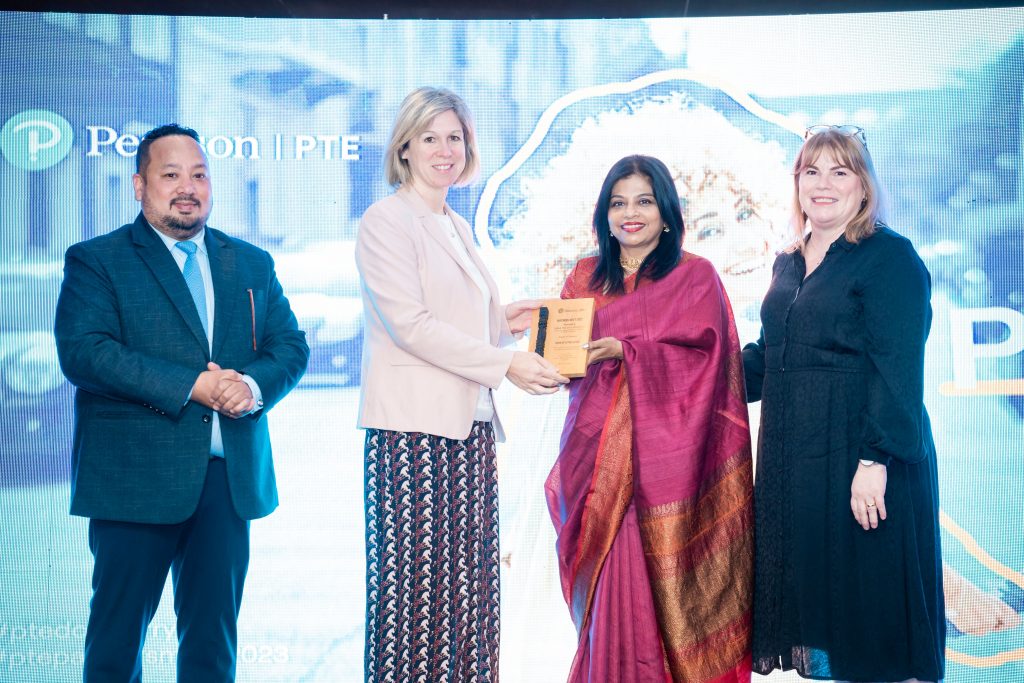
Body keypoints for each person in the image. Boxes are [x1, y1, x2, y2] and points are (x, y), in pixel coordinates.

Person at [54, 123, 309, 682]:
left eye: (199, 175)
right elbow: (86, 353)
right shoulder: (98, 260)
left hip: (225, 479)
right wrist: (196, 385)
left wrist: (251, 385)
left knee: (212, 643)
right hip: (133, 481)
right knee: (116, 642)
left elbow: (290, 345)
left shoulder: (249, 263)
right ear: (139, 185)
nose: (187, 187)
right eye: (171, 175)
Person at [356, 86, 568, 681]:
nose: (445, 150)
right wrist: (506, 365)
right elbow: (411, 326)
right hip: (411, 436)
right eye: (430, 137)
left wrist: (511, 319)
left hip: (467, 431)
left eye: (455, 137)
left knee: (469, 598)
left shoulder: (451, 222)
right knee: (416, 604)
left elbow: (457, 321)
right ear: (405, 146)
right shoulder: (386, 220)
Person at [742, 125, 945, 682]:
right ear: (798, 184)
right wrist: (683, 375)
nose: (823, 184)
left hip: (867, 465)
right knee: (826, 616)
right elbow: (770, 357)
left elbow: (898, 370)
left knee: (875, 620)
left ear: (863, 186)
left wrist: (874, 463)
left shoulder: (890, 258)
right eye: (811, 171)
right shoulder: (788, 262)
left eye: (840, 171)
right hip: (799, 465)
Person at [546, 155, 754, 682]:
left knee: (651, 590)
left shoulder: (695, 277)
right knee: (606, 599)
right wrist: (545, 345)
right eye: (618, 203)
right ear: (603, 214)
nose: (630, 213)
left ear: (666, 211)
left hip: (666, 474)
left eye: (643, 200)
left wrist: (629, 350)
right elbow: (565, 363)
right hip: (594, 466)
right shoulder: (584, 276)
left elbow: (711, 366)